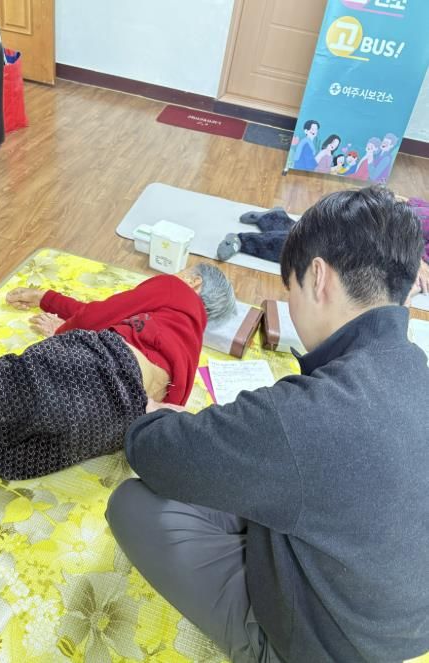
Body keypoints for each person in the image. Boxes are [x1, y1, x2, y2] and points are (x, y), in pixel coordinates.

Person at [106, 187, 429, 663]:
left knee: (132, 503)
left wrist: (156, 420)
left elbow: (154, 453)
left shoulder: (308, 414)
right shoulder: (415, 367)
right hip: (401, 623)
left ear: (318, 277)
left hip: (324, 645)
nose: (289, 304)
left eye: (289, 289)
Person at [0, 264, 235, 510]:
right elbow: (164, 409)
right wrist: (46, 298)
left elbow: (102, 313)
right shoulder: (189, 349)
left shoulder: (176, 290)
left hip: (94, 367)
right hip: (108, 429)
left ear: (193, 282)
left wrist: (63, 331)